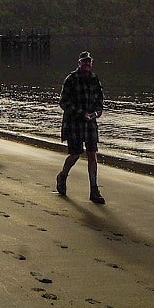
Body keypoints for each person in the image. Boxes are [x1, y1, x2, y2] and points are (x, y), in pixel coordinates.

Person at [57, 50, 106, 204]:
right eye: (84, 61)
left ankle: (94, 190)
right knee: (75, 154)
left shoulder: (94, 79)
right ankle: (62, 176)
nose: (87, 64)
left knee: (92, 155)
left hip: (90, 122)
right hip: (74, 122)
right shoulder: (71, 79)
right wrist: (80, 113)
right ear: (79, 63)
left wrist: (98, 110)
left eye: (89, 61)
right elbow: (63, 102)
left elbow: (100, 98)